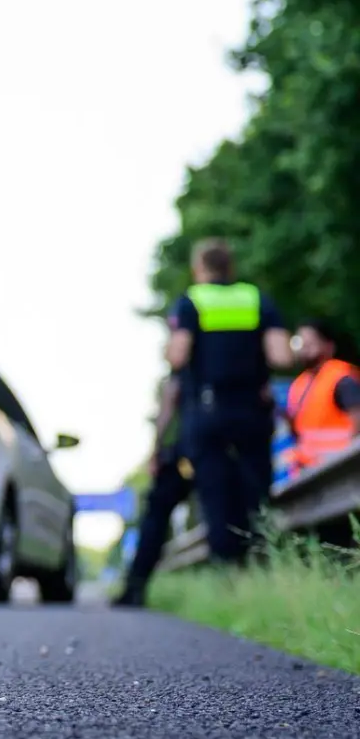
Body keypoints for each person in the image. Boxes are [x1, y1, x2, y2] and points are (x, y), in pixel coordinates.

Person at [164, 238, 293, 564]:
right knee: (257, 492)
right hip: (252, 410)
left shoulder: (192, 301)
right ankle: (262, 561)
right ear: (230, 267)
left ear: (199, 268)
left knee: (216, 494)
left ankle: (228, 570)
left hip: (208, 413)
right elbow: (281, 356)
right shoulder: (256, 299)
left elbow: (178, 356)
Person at [114, 373, 190, 607]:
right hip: (224, 444)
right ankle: (232, 581)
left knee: (155, 516)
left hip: (182, 453)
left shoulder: (181, 373)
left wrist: (156, 451)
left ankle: (135, 586)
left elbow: (167, 408)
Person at [285, 318, 360, 474]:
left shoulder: (342, 379)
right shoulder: (298, 385)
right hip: (309, 472)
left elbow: (357, 424)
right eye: (302, 344)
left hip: (339, 470)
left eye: (310, 343)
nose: (305, 349)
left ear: (328, 346)